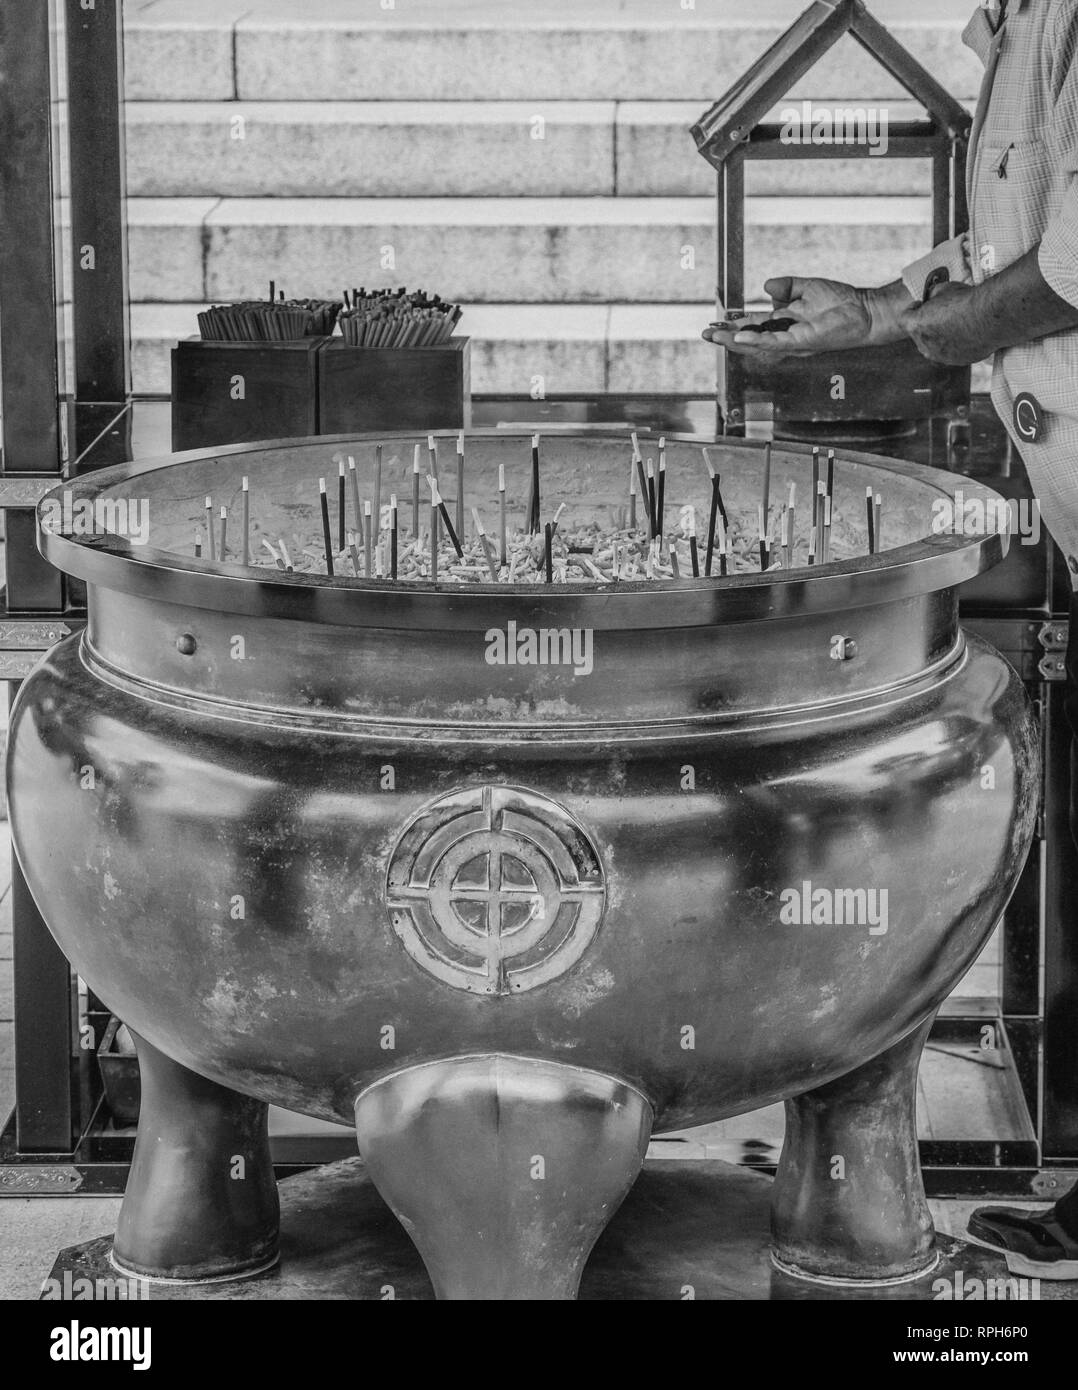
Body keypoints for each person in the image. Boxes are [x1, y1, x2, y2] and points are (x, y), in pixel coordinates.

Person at [703, 0, 1078, 1280]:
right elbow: (1009, 240)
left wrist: (913, 335)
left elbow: (1070, 274)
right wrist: (869, 313)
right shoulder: (1022, 28)